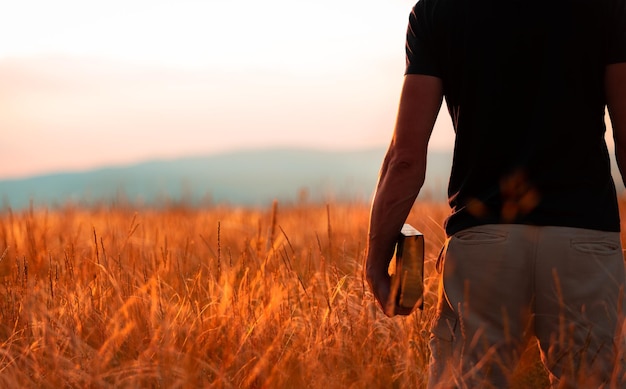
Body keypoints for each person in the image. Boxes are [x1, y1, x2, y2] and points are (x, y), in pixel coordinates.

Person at [365, 0, 626, 387]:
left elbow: (404, 159)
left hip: (483, 247)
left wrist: (377, 258)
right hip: (584, 243)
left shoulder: (438, 11)